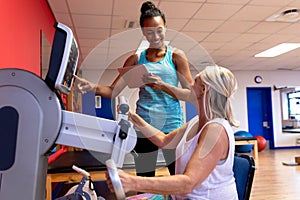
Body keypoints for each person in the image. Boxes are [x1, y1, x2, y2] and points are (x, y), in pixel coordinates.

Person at [74, 1, 193, 177]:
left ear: (165, 27)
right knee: (145, 180)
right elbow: (113, 91)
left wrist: (163, 85)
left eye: (159, 30)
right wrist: (92, 86)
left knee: (179, 179)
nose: (155, 36)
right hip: (143, 127)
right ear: (144, 33)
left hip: (172, 127)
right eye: (150, 32)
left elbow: (191, 95)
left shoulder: (176, 57)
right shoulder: (135, 60)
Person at [107, 65, 239, 200]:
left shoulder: (215, 131)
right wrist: (132, 116)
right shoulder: (196, 122)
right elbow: (164, 141)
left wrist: (132, 182)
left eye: (195, 82)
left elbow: (188, 183)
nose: (190, 86)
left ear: (203, 90)